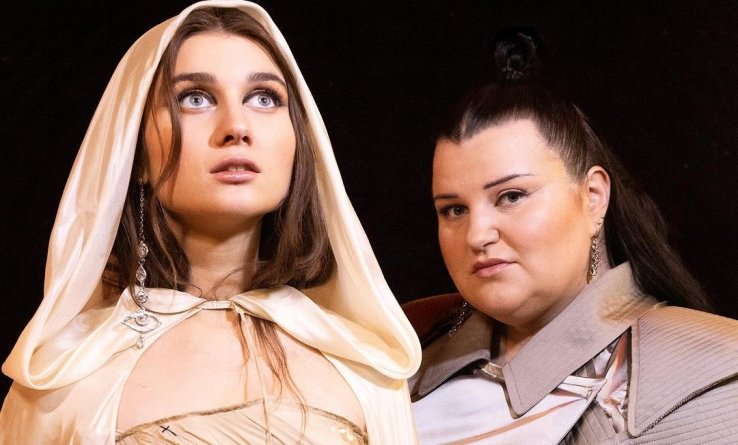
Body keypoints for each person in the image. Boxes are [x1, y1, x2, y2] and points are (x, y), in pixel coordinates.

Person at [0, 2, 421, 443]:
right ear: (134, 153)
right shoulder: (63, 379)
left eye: (264, 98)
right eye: (194, 99)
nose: (236, 127)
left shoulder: (366, 367)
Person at [409, 28, 738, 444]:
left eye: (511, 196)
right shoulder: (401, 349)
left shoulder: (710, 372)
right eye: (454, 210)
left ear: (594, 196)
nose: (476, 234)